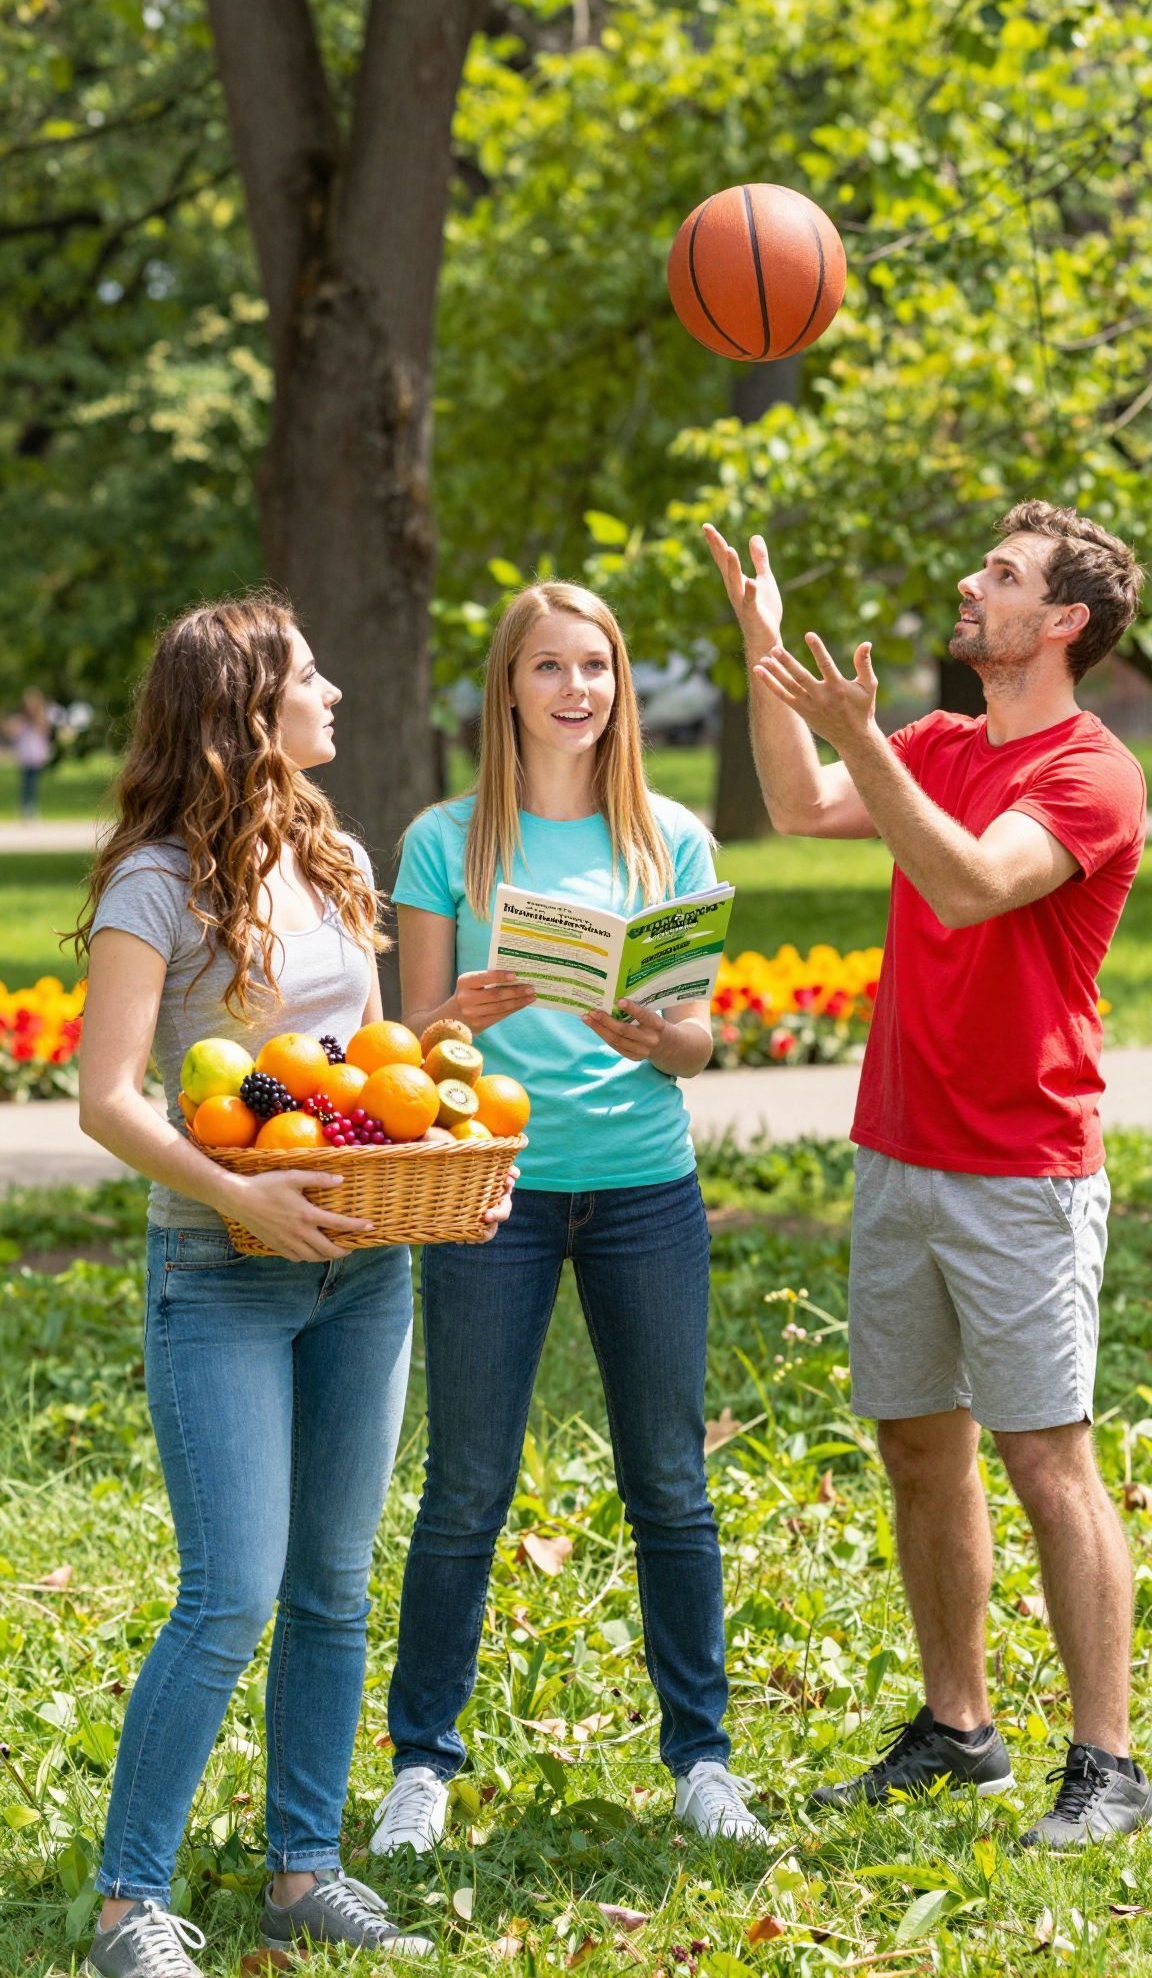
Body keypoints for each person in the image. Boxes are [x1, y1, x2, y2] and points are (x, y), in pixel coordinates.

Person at [74, 592, 512, 1978]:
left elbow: (342, 1074)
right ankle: (126, 1899)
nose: (335, 694)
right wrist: (239, 1194)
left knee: (331, 1586)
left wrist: (446, 1064)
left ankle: (301, 1870)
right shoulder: (155, 881)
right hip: (225, 1270)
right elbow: (108, 1099)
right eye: (309, 677)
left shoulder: (337, 858)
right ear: (247, 710)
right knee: (232, 1594)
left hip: (365, 1269)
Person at [707, 500, 1148, 1849]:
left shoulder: (1091, 772)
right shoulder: (948, 743)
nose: (973, 585)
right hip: (900, 1146)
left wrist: (859, 739)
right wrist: (762, 648)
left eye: (1002, 577)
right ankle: (959, 1730)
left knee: (1044, 1454)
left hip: (1021, 1164)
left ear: (1061, 623)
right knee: (917, 1444)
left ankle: (1111, 1763)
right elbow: (795, 803)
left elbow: (965, 885)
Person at [369, 579, 770, 1856]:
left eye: (597, 666)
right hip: (496, 1190)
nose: (578, 689)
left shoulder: (673, 838)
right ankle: (423, 1759)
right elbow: (409, 1038)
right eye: (550, 667)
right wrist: (460, 1020)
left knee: (670, 1478)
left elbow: (700, 1046)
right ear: (509, 687)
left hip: (647, 1183)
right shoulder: (448, 839)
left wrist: (662, 1032)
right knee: (468, 1482)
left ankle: (701, 1759)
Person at [4, 686, 54, 818]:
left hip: (36, 757)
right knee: (26, 784)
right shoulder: (21, 719)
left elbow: (46, 731)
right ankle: (25, 808)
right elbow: (11, 731)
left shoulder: (41, 718)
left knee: (33, 784)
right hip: (25, 757)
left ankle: (31, 807)